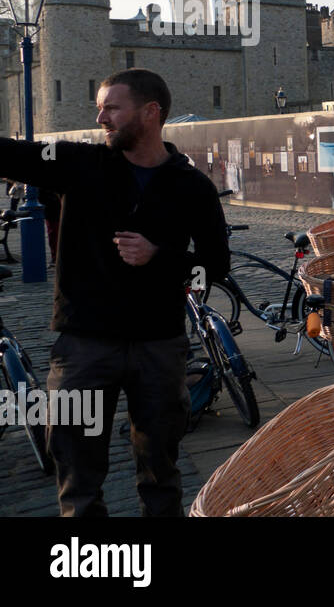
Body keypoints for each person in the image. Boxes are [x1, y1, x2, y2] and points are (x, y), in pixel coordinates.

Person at [0, 69, 229, 516]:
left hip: (159, 346)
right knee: (77, 473)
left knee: (160, 469)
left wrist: (158, 257)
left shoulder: (193, 186)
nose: (101, 116)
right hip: (84, 346)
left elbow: (214, 269)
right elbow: (8, 154)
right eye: (100, 107)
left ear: (150, 112)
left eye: (112, 107)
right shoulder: (78, 163)